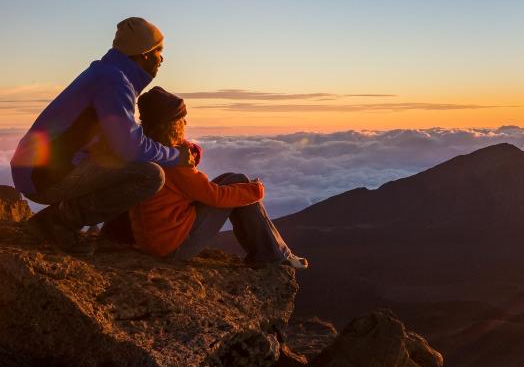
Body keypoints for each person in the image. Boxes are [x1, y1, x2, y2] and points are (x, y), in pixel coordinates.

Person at [11, 17, 193, 255]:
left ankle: (63, 221)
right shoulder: (114, 81)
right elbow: (130, 146)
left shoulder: (107, 74)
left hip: (36, 168)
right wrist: (176, 155)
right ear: (145, 54)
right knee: (149, 175)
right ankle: (57, 223)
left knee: (126, 161)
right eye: (159, 51)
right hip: (42, 175)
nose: (162, 59)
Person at [129, 86, 308, 269]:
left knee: (235, 179)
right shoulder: (174, 162)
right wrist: (256, 190)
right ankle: (274, 255)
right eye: (181, 118)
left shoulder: (150, 151)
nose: (186, 123)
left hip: (154, 240)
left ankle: (273, 252)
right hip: (174, 246)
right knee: (241, 187)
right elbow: (215, 197)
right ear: (171, 125)